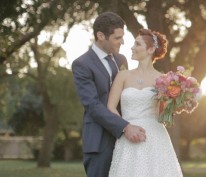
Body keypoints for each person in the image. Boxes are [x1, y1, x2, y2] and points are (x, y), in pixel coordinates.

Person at [72, 12, 147, 177]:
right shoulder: (82, 64)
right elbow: (92, 105)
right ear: (100, 36)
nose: (123, 42)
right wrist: (125, 127)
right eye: (117, 38)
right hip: (100, 141)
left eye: (122, 37)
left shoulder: (121, 60)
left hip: (129, 139)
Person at [107, 29, 183, 177]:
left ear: (150, 49)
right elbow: (110, 107)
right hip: (128, 135)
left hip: (155, 136)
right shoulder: (123, 76)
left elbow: (163, 114)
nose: (132, 47)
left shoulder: (164, 79)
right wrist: (125, 127)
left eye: (137, 44)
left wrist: (177, 102)